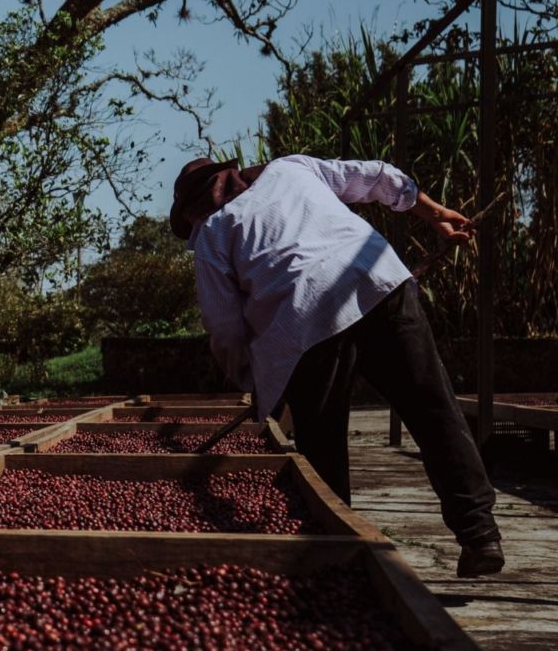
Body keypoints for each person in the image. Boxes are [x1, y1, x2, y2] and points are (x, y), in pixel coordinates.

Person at [170, 154, 503, 577]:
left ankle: (342, 561)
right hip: (376, 280)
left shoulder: (212, 234)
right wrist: (435, 214)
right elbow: (377, 177)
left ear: (194, 207)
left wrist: (254, 383)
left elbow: (225, 329)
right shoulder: (289, 168)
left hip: (305, 322)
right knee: (434, 410)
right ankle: (480, 534)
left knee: (323, 445)